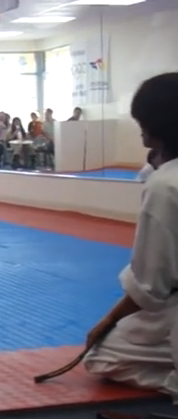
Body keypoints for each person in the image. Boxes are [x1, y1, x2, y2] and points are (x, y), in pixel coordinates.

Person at [81, 72, 178, 406]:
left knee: (102, 355)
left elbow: (151, 286)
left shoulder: (164, 187)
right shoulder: (162, 176)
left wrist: (109, 319)